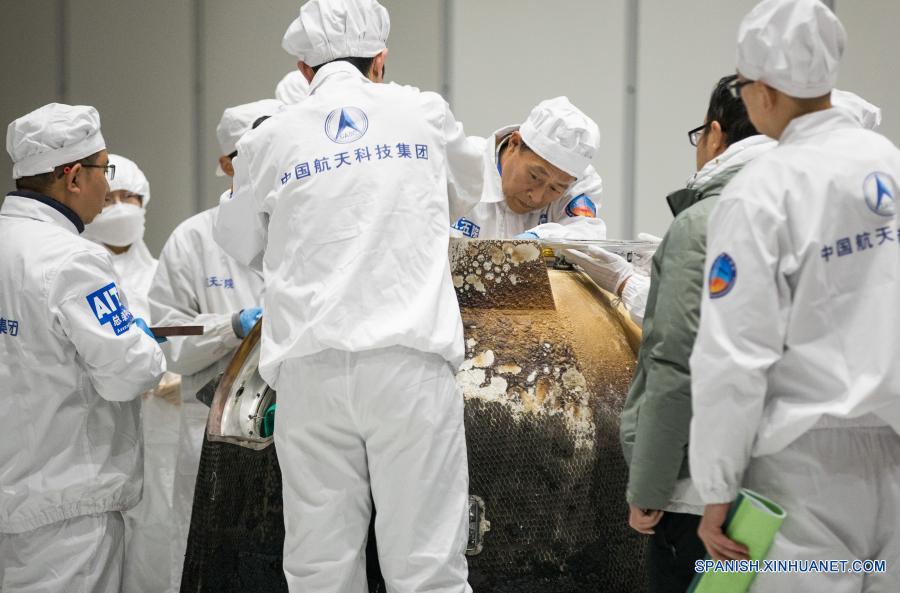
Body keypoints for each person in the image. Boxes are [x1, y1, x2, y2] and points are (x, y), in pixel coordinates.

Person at [213, 1, 484, 591]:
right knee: (428, 565)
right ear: (380, 60)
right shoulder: (423, 113)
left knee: (319, 567)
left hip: (310, 377)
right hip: (408, 367)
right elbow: (469, 188)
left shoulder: (270, 138)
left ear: (303, 69)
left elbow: (234, 237)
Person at [688, 2, 900, 593]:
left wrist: (716, 489)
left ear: (764, 91)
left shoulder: (762, 190)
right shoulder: (890, 163)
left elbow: (734, 355)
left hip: (800, 474)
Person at [0, 103, 166, 593]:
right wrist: (136, 333)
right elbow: (129, 374)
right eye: (104, 170)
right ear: (73, 177)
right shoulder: (72, 259)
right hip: (67, 505)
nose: (106, 185)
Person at [616, 75, 772, 593]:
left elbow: (677, 361)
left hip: (698, 496)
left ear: (714, 133)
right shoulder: (804, 210)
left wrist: (649, 487)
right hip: (783, 488)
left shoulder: (705, 220)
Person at [569, 88, 883, 328]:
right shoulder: (857, 205)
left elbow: (705, 327)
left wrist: (627, 282)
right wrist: (678, 270)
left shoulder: (755, 208)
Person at [149, 99, 278, 591]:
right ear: (226, 164)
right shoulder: (192, 241)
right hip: (213, 434)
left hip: (301, 432)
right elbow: (166, 335)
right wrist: (231, 326)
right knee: (212, 560)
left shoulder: (310, 231)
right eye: (252, 154)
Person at [82, 153, 181, 593]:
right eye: (111, 198)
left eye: (131, 197)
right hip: (93, 440)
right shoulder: (77, 274)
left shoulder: (164, 276)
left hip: (162, 441)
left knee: (158, 542)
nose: (121, 207)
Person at [452, 96, 605, 241]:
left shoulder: (580, 184)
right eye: (534, 177)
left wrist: (542, 238)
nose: (537, 197)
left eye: (555, 188)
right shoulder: (462, 165)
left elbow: (586, 234)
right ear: (514, 143)